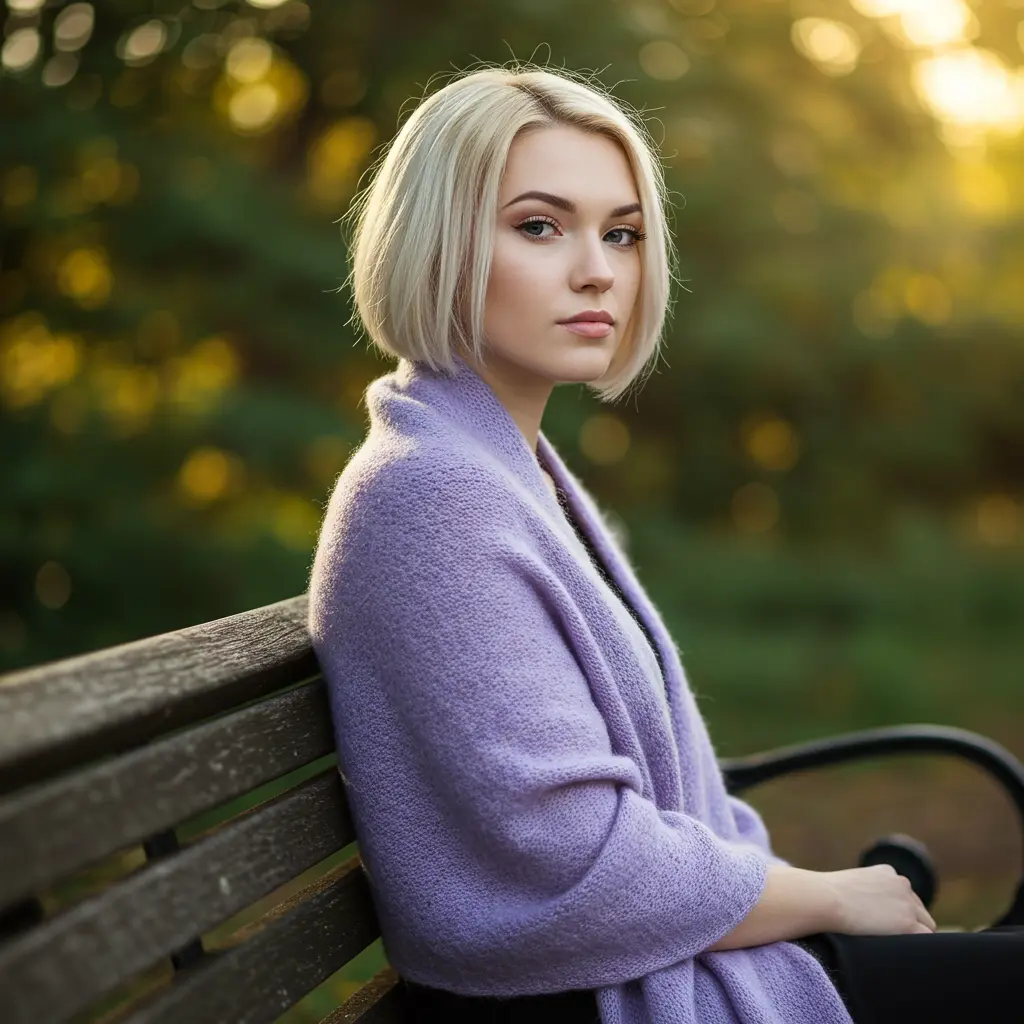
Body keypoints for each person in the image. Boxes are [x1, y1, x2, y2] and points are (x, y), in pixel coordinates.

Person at [307, 63, 1021, 1024]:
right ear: (436, 243)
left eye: (622, 232)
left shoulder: (490, 469)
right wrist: (829, 895)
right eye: (539, 226)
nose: (598, 267)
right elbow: (576, 859)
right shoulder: (434, 499)